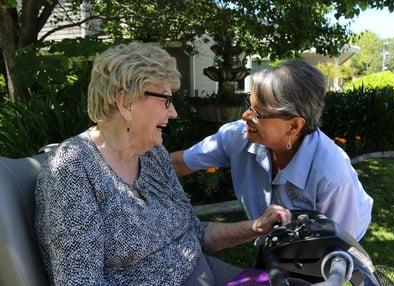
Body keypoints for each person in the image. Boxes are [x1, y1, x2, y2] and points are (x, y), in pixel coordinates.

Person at [34, 42, 291, 286]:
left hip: (204, 271)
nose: (173, 112)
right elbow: (81, 281)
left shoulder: (153, 155)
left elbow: (194, 233)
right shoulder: (72, 170)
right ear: (125, 102)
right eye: (165, 99)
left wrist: (256, 227)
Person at [171, 59, 373, 241]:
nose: (245, 116)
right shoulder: (238, 136)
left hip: (336, 238)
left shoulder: (332, 175)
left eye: (258, 113)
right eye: (249, 104)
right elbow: (179, 163)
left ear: (294, 125)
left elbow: (339, 247)